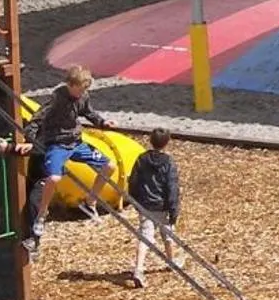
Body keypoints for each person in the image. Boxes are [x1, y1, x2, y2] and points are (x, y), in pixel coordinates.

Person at [16, 66, 114, 258]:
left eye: (85, 89)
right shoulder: (57, 99)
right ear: (71, 85)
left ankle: (90, 201)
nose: (83, 93)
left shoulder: (83, 96)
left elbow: (89, 112)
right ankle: (42, 214)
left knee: (109, 166)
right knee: (53, 178)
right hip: (58, 144)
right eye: (81, 89)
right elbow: (36, 120)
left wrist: (102, 123)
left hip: (76, 142)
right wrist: (30, 141)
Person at [126, 129, 181, 288]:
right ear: (167, 142)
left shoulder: (141, 159)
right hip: (162, 205)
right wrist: (174, 209)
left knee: (145, 237)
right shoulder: (168, 162)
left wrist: (135, 200)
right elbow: (172, 187)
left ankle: (139, 268)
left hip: (145, 205)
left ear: (150, 140)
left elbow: (133, 181)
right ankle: (171, 261)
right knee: (168, 234)